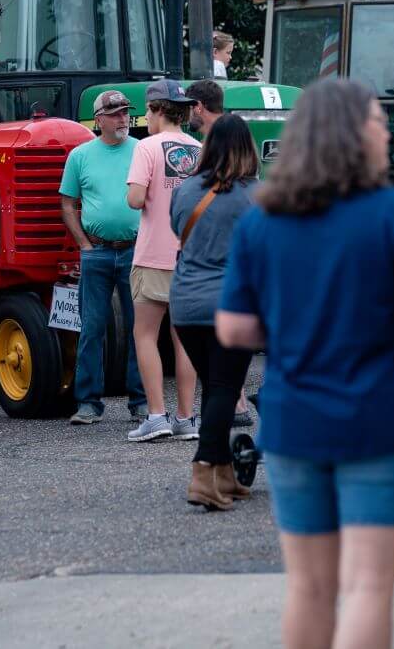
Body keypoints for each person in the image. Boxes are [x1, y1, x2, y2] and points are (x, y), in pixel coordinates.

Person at [217, 78, 394, 649]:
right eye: (370, 119)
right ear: (344, 133)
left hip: (293, 423)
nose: (381, 129)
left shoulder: (263, 220)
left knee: (309, 586)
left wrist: (298, 319)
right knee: (368, 585)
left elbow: (234, 329)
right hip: (378, 421)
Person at [169, 114, 259, 510]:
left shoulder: (186, 190)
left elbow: (178, 230)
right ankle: (203, 473)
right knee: (224, 389)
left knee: (215, 388)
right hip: (231, 305)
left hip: (185, 306)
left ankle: (223, 472)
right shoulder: (255, 196)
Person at [59, 90, 148, 424]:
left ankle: (140, 400)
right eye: (114, 114)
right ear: (98, 120)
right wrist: (83, 244)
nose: (123, 118)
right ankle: (88, 402)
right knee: (91, 327)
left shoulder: (142, 150)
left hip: (134, 249)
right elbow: (67, 203)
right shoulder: (80, 156)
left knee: (141, 327)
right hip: (96, 251)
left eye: (126, 112)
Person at [125, 79, 200, 442]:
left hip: (153, 253)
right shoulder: (200, 148)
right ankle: (186, 418)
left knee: (145, 335)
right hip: (190, 256)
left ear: (155, 110)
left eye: (147, 111)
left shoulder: (146, 147)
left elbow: (136, 200)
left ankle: (156, 416)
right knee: (185, 339)